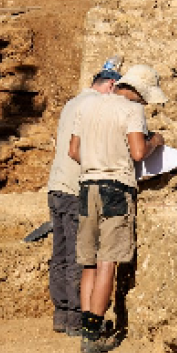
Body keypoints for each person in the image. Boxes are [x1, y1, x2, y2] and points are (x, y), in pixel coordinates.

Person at [69, 63, 167, 353]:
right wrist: (155, 141)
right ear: (138, 92)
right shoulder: (131, 110)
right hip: (116, 187)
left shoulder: (86, 106)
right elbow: (138, 152)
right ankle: (93, 333)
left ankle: (87, 324)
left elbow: (74, 151)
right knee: (107, 261)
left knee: (88, 260)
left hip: (87, 186)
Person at [45, 61, 121, 336]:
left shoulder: (72, 103)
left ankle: (62, 314)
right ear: (110, 85)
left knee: (61, 253)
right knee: (80, 255)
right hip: (76, 188)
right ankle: (77, 317)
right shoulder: (95, 107)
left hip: (56, 185)